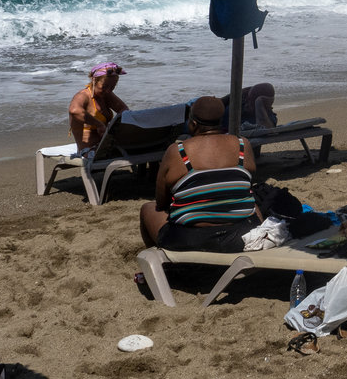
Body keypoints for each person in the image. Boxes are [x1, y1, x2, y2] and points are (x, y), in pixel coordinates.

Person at [139, 96, 260, 252]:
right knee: (254, 205)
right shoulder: (243, 145)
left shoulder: (178, 151)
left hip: (191, 239)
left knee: (147, 209)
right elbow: (245, 186)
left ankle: (161, 265)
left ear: (193, 124)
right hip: (241, 235)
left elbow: (161, 202)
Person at [69, 61, 129, 150]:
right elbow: (74, 111)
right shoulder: (83, 96)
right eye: (104, 87)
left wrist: (114, 125)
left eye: (112, 87)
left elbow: (124, 110)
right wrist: (99, 124)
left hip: (107, 146)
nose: (108, 90)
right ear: (94, 81)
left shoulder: (106, 94)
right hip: (89, 150)